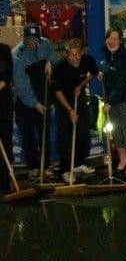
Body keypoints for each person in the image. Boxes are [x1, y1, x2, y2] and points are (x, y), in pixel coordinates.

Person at [12, 24, 56, 179]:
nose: (32, 42)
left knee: (44, 133)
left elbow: (52, 54)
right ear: (24, 38)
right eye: (29, 40)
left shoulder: (45, 43)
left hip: (42, 96)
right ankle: (33, 168)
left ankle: (46, 166)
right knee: (28, 135)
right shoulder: (17, 55)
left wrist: (50, 61)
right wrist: (35, 104)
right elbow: (22, 86)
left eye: (35, 39)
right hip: (25, 102)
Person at [53, 38, 98, 182]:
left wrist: (82, 84)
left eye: (77, 54)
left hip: (80, 99)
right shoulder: (59, 67)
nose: (74, 58)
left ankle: (78, 163)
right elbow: (57, 92)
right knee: (66, 137)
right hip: (63, 103)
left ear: (82, 53)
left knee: (83, 133)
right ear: (66, 54)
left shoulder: (87, 60)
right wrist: (70, 110)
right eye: (71, 55)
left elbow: (93, 73)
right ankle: (65, 170)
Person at [100, 27, 126, 178]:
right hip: (114, 99)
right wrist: (102, 74)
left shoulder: (125, 57)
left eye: (116, 38)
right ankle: (122, 159)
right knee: (116, 130)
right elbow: (110, 75)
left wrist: (110, 102)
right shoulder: (108, 55)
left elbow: (122, 83)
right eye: (110, 38)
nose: (112, 41)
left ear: (121, 41)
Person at [0, 41, 12, 194]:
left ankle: (4, 184)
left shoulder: (3, 50)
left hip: (3, 106)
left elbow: (5, 78)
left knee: (4, 143)